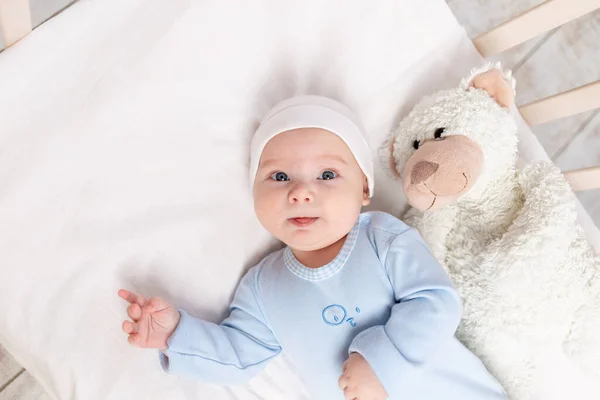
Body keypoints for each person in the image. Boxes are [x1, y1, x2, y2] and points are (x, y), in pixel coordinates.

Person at [118, 96, 505, 400]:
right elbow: (239, 354)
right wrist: (175, 335)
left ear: (365, 188)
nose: (301, 192)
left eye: (327, 174)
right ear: (254, 193)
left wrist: (381, 360)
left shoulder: (382, 239)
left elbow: (436, 301)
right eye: (279, 176)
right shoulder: (264, 287)